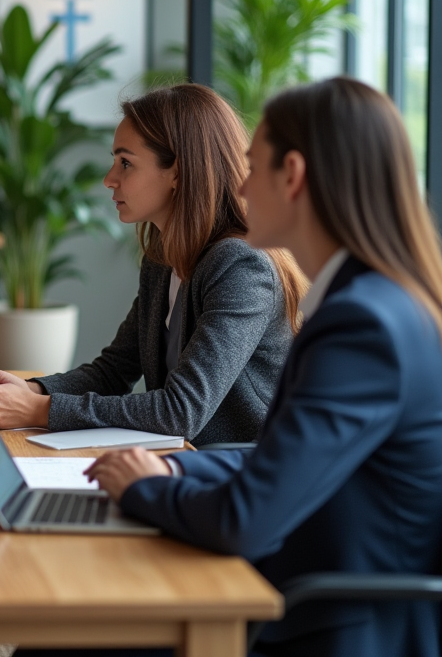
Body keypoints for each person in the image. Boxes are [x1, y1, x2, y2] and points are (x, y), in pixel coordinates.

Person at [88, 77, 442, 657]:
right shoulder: (374, 301)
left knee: (82, 634)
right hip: (307, 575)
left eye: (253, 166)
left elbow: (245, 520)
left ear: (294, 175)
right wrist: (176, 474)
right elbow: (274, 459)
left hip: (324, 617)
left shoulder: (362, 326)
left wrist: (145, 489)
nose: (241, 184)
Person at [0, 84, 304, 446]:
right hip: (186, 463)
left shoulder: (241, 267)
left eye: (125, 163)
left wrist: (40, 410)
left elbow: (181, 412)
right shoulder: (163, 258)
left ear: (178, 171)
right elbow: (114, 371)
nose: (109, 179)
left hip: (242, 477)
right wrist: (32, 389)